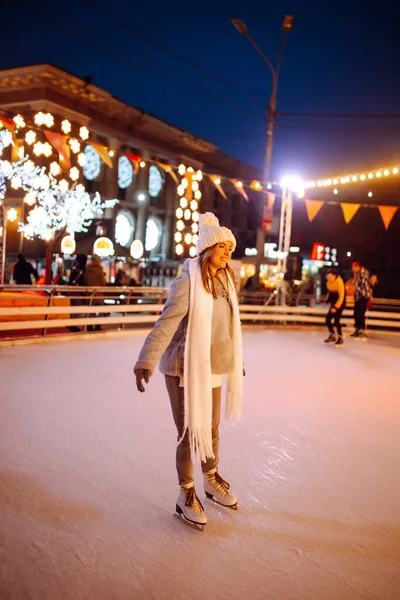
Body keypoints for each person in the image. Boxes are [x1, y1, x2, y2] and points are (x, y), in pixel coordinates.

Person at [133, 213, 244, 531]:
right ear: (208, 248)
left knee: (211, 429)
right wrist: (146, 360)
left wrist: (237, 359)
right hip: (183, 368)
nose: (227, 253)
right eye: (222, 247)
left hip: (212, 366)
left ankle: (210, 478)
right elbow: (166, 323)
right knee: (188, 432)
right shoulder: (188, 281)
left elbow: (226, 329)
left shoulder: (224, 281)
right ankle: (186, 493)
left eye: (230, 248)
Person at [324, 268, 346, 347]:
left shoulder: (339, 282)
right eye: (327, 276)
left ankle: (340, 337)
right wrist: (326, 301)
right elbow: (329, 293)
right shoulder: (328, 283)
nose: (328, 278)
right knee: (328, 320)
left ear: (334, 275)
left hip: (340, 303)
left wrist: (336, 307)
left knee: (336, 321)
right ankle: (332, 335)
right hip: (333, 304)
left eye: (330, 276)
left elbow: (341, 296)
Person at [85, 255, 106, 331]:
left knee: (91, 311)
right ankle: (98, 326)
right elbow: (103, 282)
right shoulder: (99, 270)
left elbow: (85, 280)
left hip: (90, 294)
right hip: (99, 294)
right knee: (100, 310)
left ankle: (90, 326)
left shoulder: (87, 269)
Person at [351, 262, 372, 339]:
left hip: (363, 296)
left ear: (358, 267)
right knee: (356, 313)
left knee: (360, 313)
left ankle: (361, 330)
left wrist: (366, 296)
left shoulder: (363, 273)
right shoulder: (358, 274)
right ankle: (357, 329)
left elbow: (365, 285)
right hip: (358, 297)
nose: (352, 269)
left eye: (354, 267)